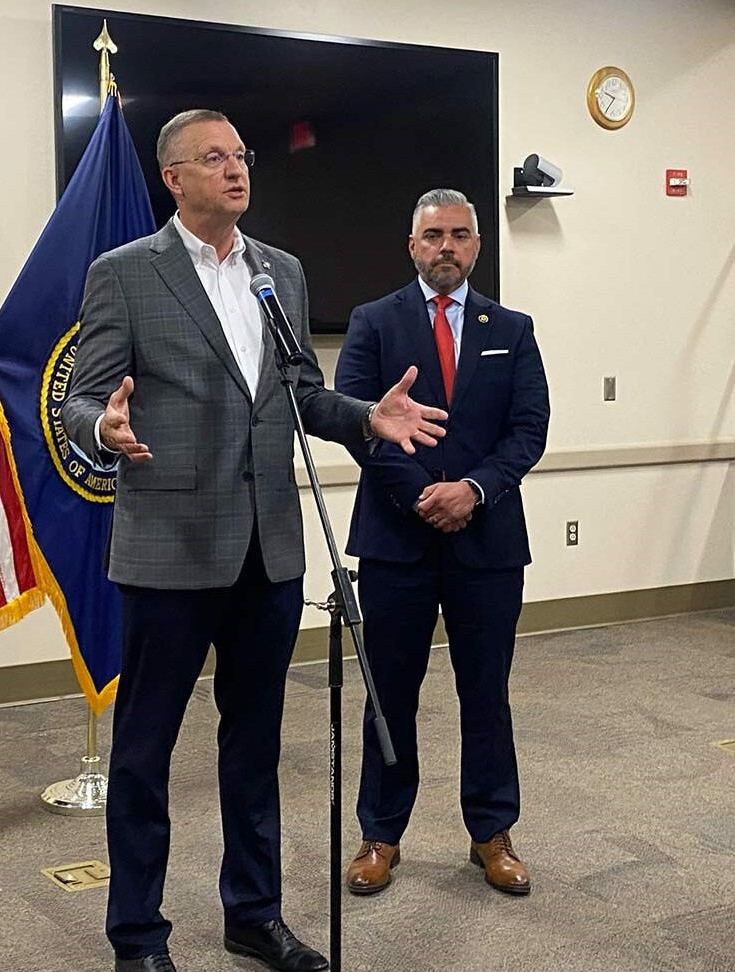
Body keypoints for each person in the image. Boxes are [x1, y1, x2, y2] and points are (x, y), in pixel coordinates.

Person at [62, 109, 448, 972]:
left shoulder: (281, 271)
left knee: (255, 747)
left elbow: (302, 391)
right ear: (174, 178)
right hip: (168, 546)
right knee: (145, 755)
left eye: (241, 156)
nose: (237, 170)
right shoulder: (125, 274)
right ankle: (137, 936)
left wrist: (366, 420)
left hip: (267, 550)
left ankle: (254, 913)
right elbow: (83, 399)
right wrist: (105, 430)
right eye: (214, 159)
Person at [334, 189, 550, 898]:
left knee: (486, 693)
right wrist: (423, 493)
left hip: (487, 543)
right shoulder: (372, 322)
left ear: (477, 245)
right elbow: (357, 422)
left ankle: (491, 833)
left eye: (459, 234)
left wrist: (473, 491)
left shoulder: (511, 328)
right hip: (398, 541)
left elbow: (528, 429)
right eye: (434, 235)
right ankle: (380, 835)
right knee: (388, 693)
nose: (447, 247)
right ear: (413, 245)